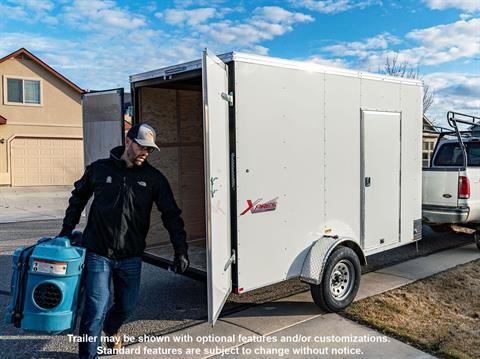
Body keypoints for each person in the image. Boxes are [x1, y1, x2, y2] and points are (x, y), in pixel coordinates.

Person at [59, 123, 189, 359]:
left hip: (130, 256)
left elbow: (171, 214)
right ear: (128, 141)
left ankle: (111, 328)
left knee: (126, 306)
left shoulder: (153, 178)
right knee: (94, 310)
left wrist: (181, 249)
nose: (145, 153)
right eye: (142, 147)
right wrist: (66, 230)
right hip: (98, 252)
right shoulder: (99, 169)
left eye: (150, 150)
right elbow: (78, 197)